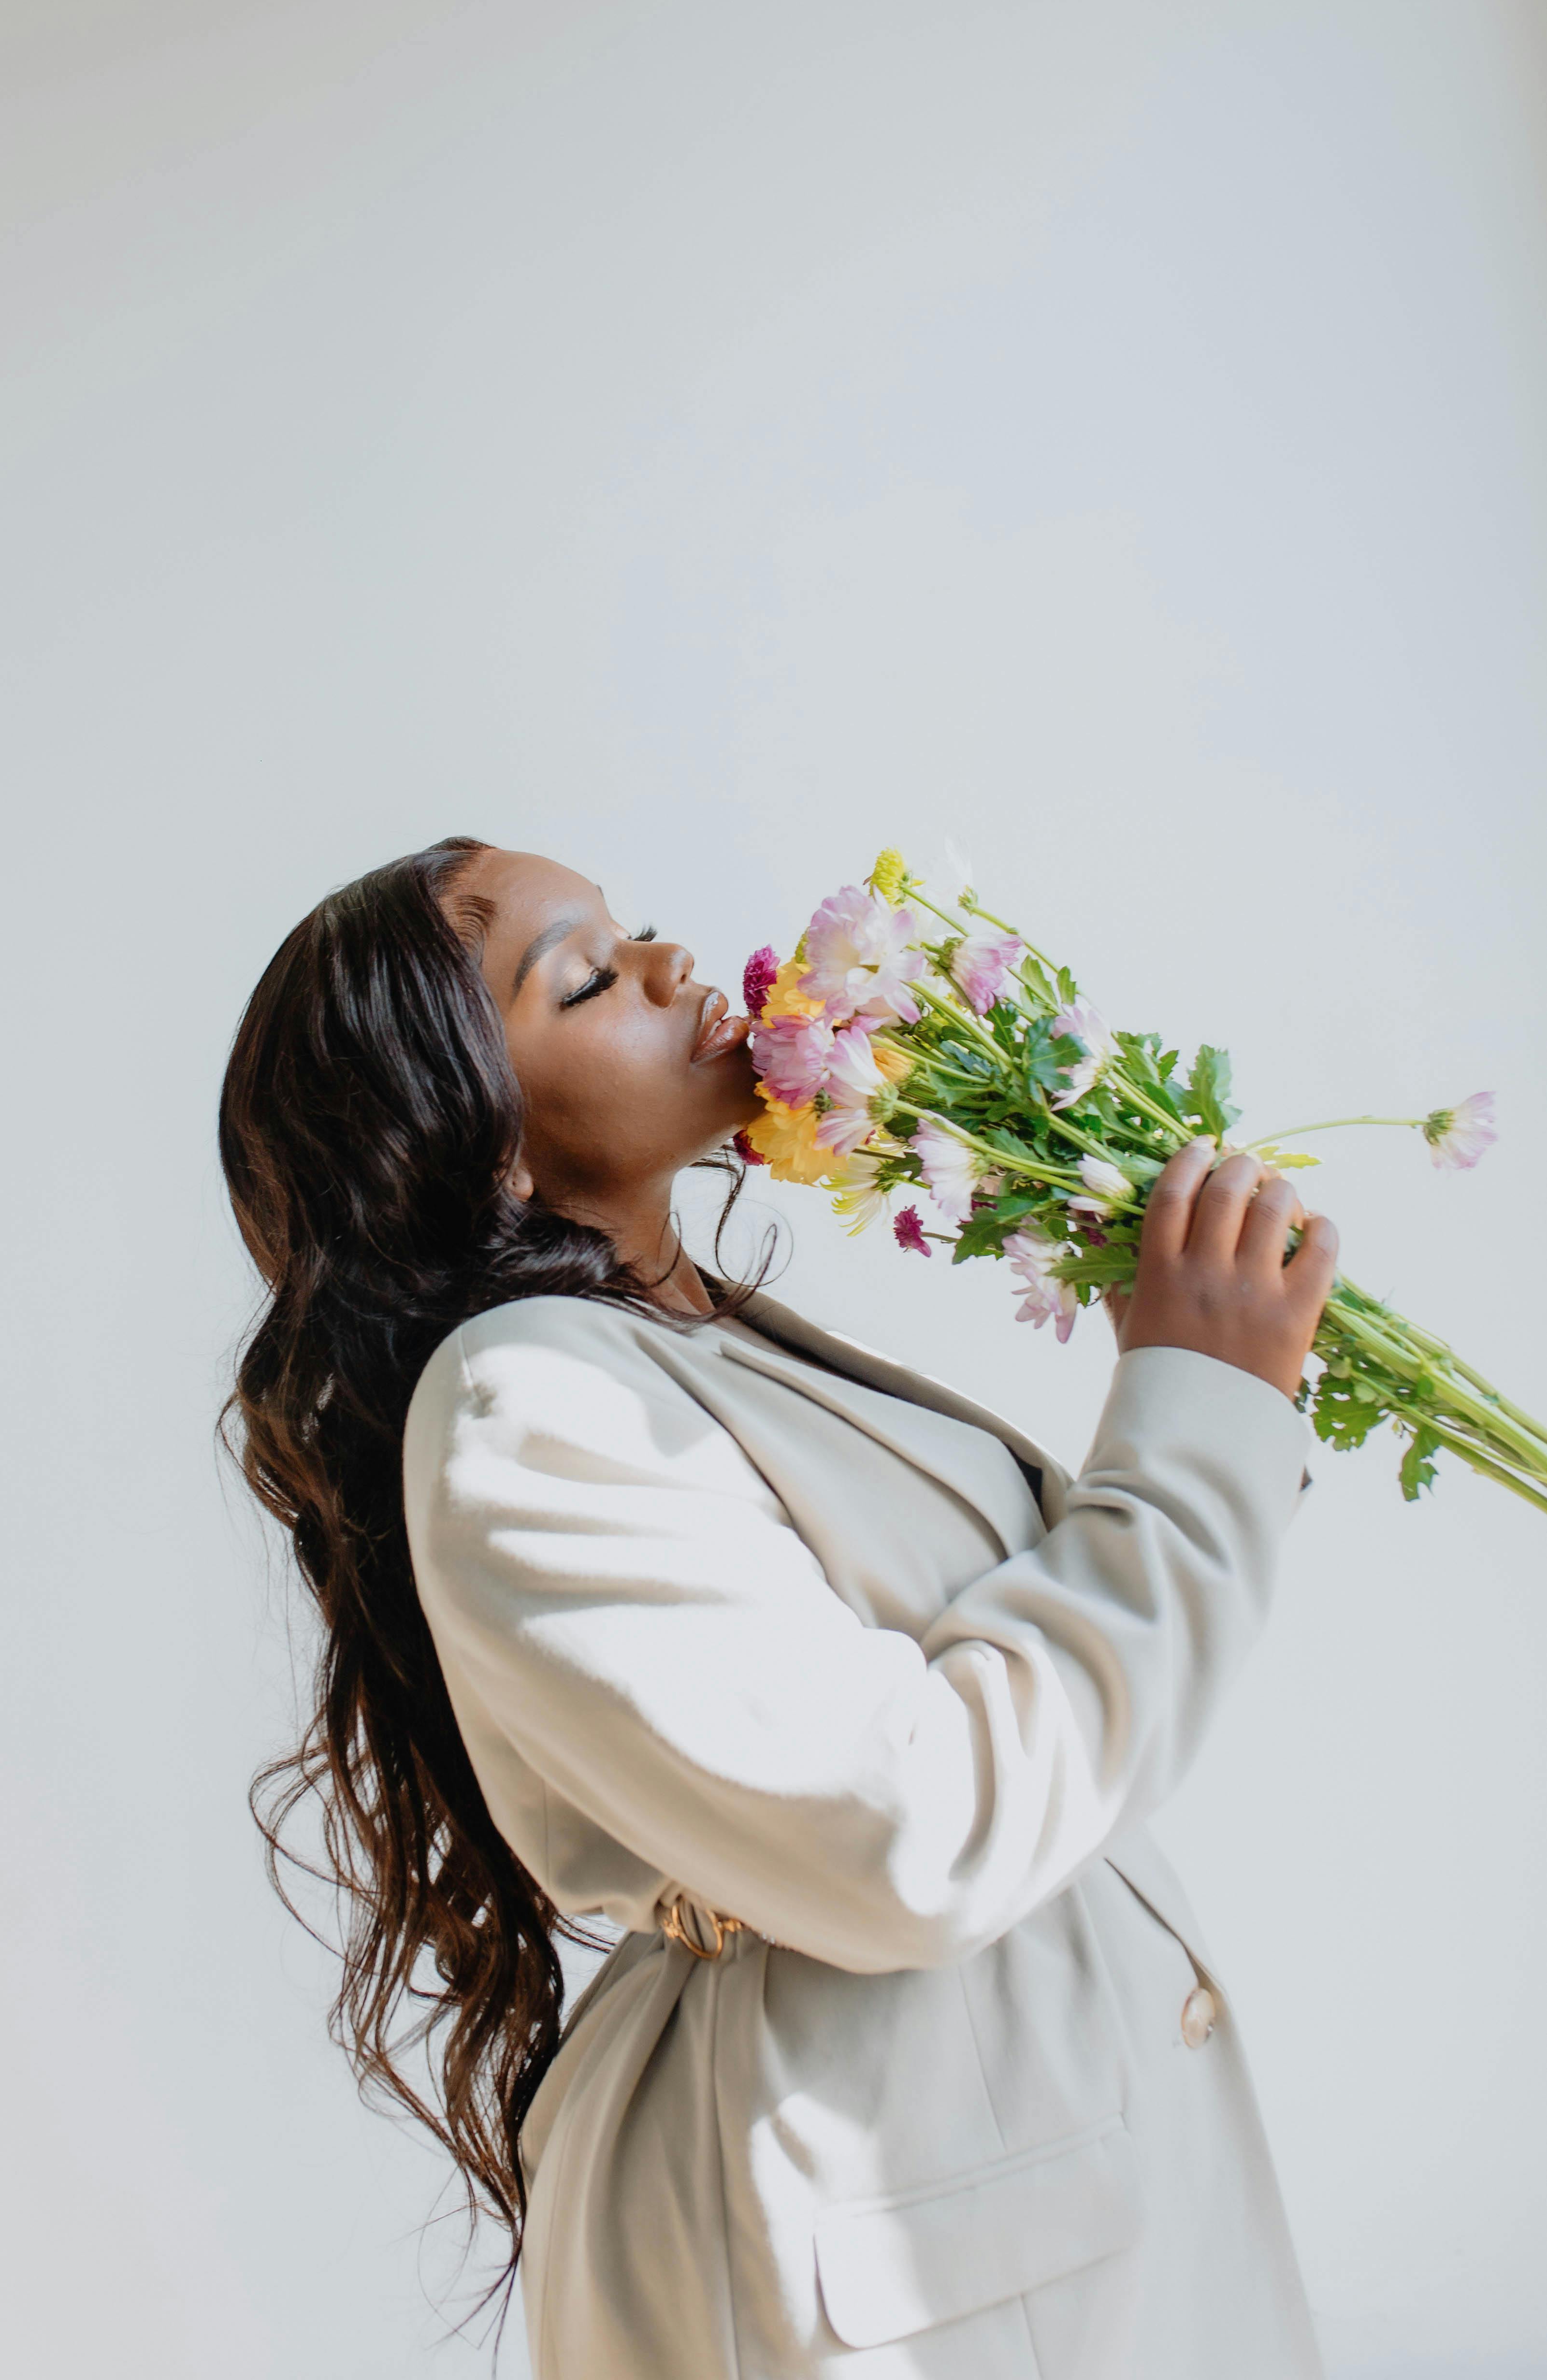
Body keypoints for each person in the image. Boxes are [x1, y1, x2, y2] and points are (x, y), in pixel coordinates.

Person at [218, 837, 1337, 2380]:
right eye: (589, 977)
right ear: (481, 1143)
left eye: (641, 932)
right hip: (889, 2213)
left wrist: (1228, 1416)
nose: (674, 968)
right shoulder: (523, 1402)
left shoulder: (690, 1348)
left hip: (1026, 2177)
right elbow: (905, 1830)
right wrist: (1191, 1432)